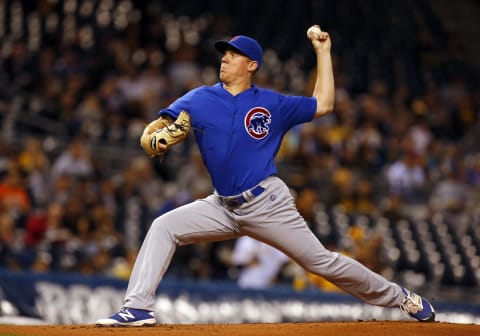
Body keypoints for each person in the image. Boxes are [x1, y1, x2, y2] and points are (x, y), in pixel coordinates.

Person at [96, 25, 435, 326]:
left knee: (323, 263)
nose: (225, 59)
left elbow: (324, 103)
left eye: (233, 54)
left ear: (252, 65)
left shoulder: (273, 103)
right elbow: (157, 126)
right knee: (163, 226)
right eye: (224, 54)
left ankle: (401, 297)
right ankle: (138, 308)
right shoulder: (199, 98)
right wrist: (153, 136)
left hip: (267, 202)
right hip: (221, 206)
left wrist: (323, 52)